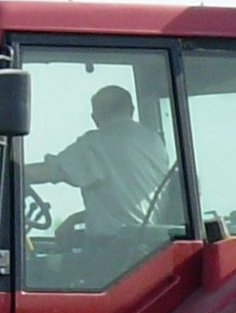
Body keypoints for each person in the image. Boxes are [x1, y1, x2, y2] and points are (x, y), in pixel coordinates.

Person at [27, 84, 174, 232]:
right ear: (132, 110)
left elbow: (49, 171)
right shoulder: (154, 142)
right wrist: (76, 219)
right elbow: (127, 205)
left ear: (95, 116)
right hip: (154, 240)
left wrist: (9, 170)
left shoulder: (97, 143)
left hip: (119, 247)